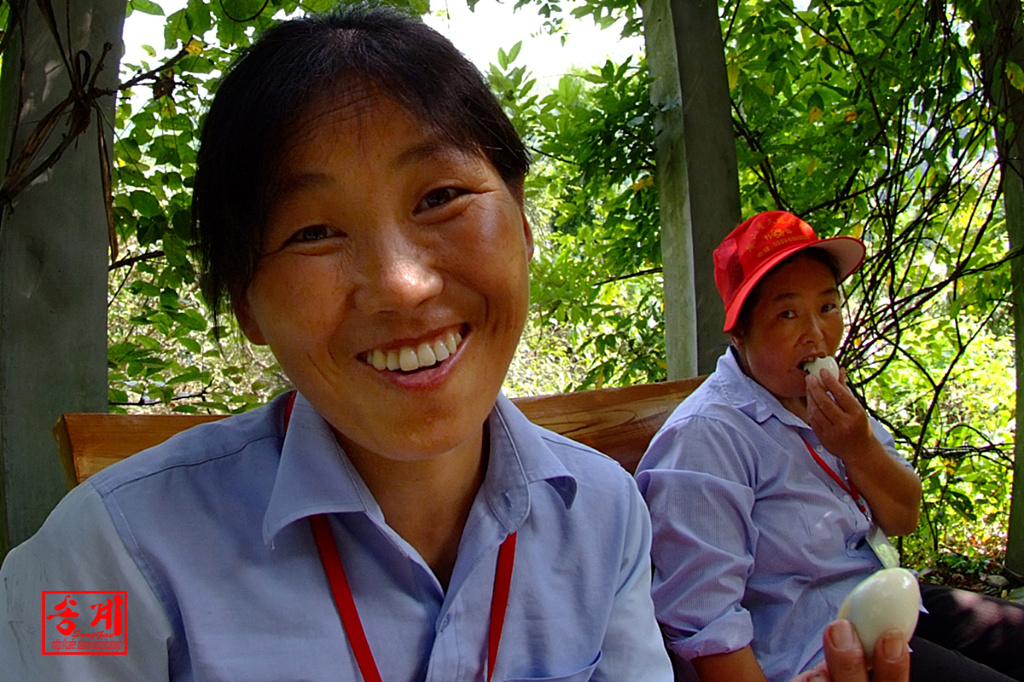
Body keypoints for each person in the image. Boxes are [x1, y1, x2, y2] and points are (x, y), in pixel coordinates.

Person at [0, 10, 903, 681]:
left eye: (439, 198)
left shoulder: (604, 518)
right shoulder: (109, 561)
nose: (401, 285)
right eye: (314, 232)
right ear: (245, 303)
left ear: (522, 224)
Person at [635, 210, 1024, 682]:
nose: (817, 335)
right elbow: (703, 622)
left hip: (883, 605)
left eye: (828, 306)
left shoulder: (827, 402)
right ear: (740, 332)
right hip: (813, 656)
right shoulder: (706, 438)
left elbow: (904, 516)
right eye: (788, 313)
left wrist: (859, 447)